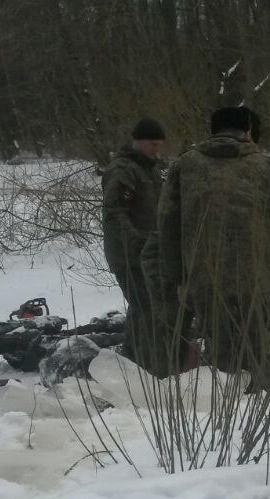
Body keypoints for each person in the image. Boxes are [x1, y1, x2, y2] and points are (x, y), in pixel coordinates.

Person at [141, 106, 270, 385]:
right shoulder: (263, 166)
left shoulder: (184, 166)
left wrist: (180, 279)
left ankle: (229, 399)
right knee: (259, 345)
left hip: (204, 278)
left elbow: (167, 225)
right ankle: (259, 396)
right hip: (256, 279)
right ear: (247, 131)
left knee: (221, 351)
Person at [103, 118, 169, 374]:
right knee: (147, 309)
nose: (157, 150)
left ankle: (131, 362)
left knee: (143, 308)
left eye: (159, 145)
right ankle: (147, 367)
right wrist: (139, 243)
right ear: (138, 141)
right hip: (129, 255)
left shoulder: (148, 170)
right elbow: (115, 213)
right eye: (153, 144)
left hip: (147, 252)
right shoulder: (123, 170)